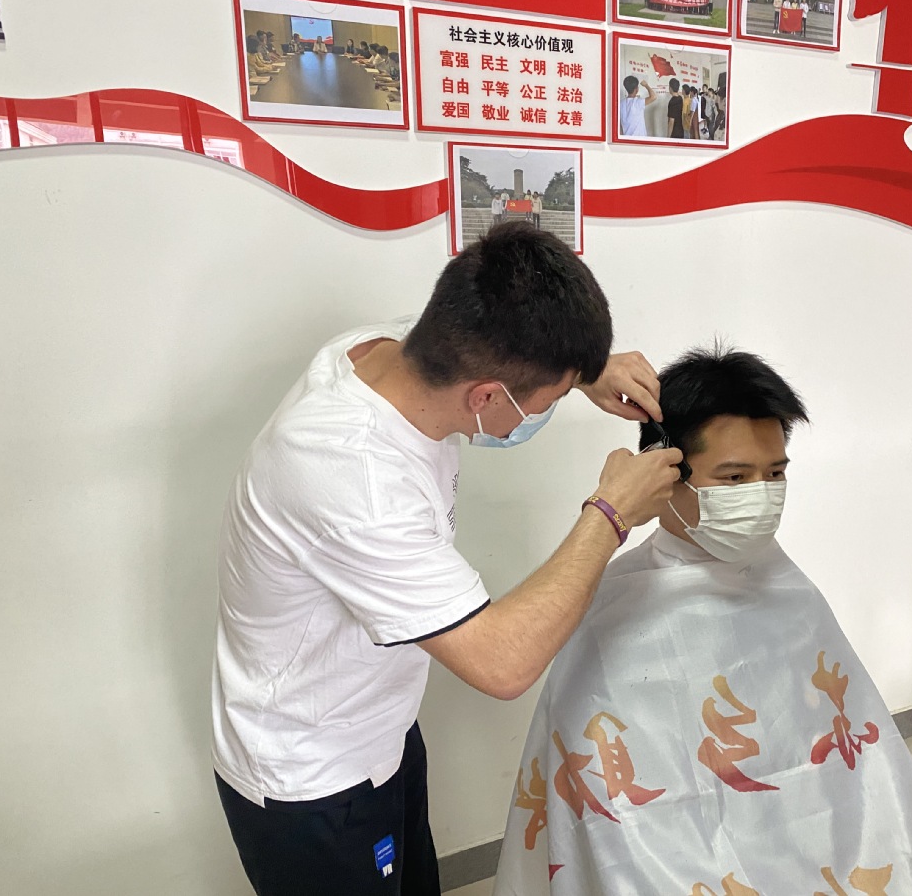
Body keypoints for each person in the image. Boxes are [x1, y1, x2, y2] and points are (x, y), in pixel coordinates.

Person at [212, 223, 683, 896]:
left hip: (382, 729)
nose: (542, 414)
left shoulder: (393, 352)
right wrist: (611, 514)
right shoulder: (350, 474)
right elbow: (502, 662)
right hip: (312, 779)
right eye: (545, 402)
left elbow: (505, 329)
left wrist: (584, 369)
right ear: (485, 395)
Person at [493, 345, 912, 896]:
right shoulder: (609, 606)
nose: (761, 495)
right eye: (733, 478)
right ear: (662, 474)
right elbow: (609, 811)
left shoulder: (791, 590)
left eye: (774, 474)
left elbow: (857, 770)